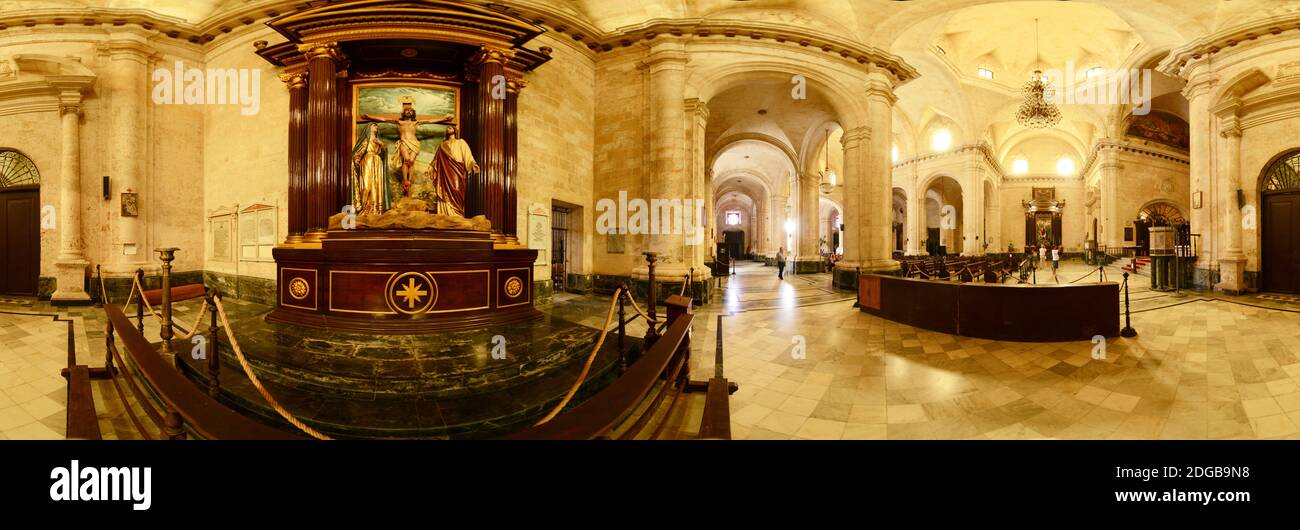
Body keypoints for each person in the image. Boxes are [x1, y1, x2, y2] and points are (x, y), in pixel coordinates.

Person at [427, 124, 478, 217]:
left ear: (455, 130)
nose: (448, 129)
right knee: (444, 191)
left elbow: (467, 155)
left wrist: (472, 163)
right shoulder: (442, 145)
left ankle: (457, 215)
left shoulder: (461, 142)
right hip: (445, 174)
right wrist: (430, 168)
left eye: (450, 127)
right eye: (447, 128)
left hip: (457, 171)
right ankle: (444, 214)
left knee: (457, 190)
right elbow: (436, 159)